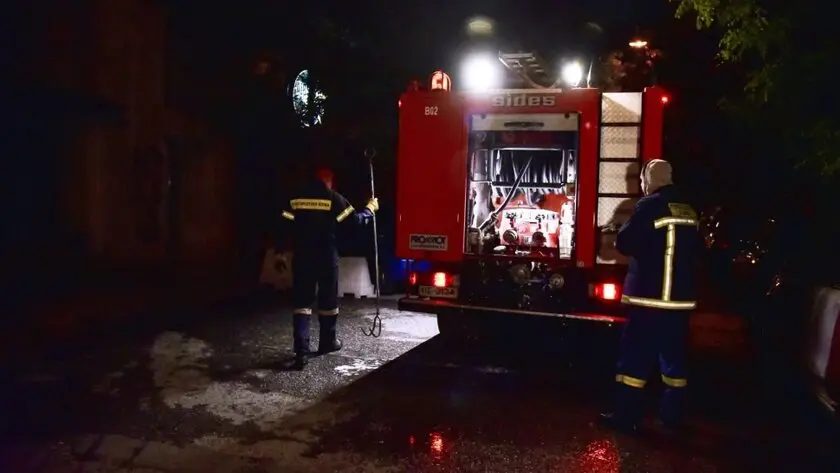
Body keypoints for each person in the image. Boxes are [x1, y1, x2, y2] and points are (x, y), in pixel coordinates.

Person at [599, 159, 700, 433]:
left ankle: (625, 416)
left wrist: (619, 230)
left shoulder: (650, 205)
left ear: (649, 179)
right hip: (679, 303)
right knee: (674, 363)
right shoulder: (688, 208)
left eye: (643, 179)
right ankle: (672, 417)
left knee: (634, 360)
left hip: (650, 300)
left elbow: (626, 242)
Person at [280, 165, 379, 370]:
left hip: (303, 257)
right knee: (328, 302)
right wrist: (370, 209)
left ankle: (301, 352)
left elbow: (284, 225)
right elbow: (354, 222)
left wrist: (285, 249)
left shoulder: (295, 198)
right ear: (328, 180)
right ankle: (327, 343)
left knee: (302, 303)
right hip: (326, 258)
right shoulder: (333, 198)